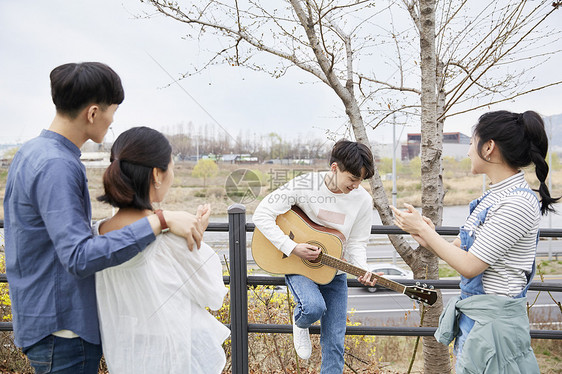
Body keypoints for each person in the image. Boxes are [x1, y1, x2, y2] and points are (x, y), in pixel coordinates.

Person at [3, 62, 205, 374]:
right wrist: (160, 222)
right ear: (93, 113)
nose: (112, 122)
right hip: (64, 330)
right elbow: (78, 256)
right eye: (112, 111)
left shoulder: (32, 152)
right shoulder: (58, 165)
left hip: (42, 318)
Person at [391, 110, 556, 373]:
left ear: (488, 147)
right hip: (477, 321)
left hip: (493, 329)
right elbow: (459, 248)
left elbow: (470, 266)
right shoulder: (492, 197)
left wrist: (427, 232)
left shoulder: (516, 203)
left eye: (471, 143)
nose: (468, 151)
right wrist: (426, 233)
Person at [94, 126, 229, 373]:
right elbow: (212, 294)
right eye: (172, 166)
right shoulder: (165, 236)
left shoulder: (97, 232)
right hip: (169, 356)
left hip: (125, 355)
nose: (173, 174)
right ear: (157, 174)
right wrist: (195, 237)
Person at [253, 139, 378, 373]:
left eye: (361, 181)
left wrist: (362, 269)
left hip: (336, 271)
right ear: (334, 168)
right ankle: (301, 322)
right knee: (312, 307)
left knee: (335, 344)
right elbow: (262, 214)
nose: (356, 186)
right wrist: (291, 247)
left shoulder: (362, 200)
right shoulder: (305, 184)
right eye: (352, 179)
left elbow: (357, 243)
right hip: (298, 263)